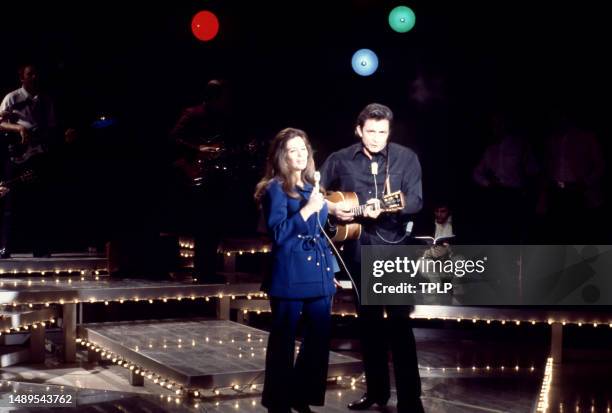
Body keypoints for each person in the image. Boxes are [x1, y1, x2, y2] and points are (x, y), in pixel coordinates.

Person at [319, 103, 424, 413]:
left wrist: (391, 207)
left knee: (400, 325)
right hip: (359, 249)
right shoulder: (340, 159)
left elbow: (416, 200)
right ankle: (376, 392)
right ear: (359, 130)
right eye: (371, 131)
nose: (377, 138)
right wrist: (333, 208)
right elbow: (315, 191)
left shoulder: (407, 158)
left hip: (395, 249)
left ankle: (410, 398)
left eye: (383, 132)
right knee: (369, 325)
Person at [254, 128, 339, 413]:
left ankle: (300, 395)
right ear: (282, 155)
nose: (301, 154)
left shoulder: (312, 188)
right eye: (293, 150)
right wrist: (307, 210)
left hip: (318, 272)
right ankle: (278, 402)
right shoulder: (274, 189)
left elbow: (321, 233)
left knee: (319, 337)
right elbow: (277, 234)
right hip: (289, 274)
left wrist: (332, 272)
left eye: (304, 148)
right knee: (283, 339)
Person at [0, 64, 71, 258]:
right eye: (30, 74)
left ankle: (40, 247)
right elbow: (0, 123)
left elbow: (51, 127)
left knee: (39, 202)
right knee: (10, 203)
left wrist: (63, 134)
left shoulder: (46, 100)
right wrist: (19, 129)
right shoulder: (12, 98)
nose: (34, 77)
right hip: (17, 155)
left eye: (36, 74)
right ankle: (5, 247)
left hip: (38, 154)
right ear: (22, 78)